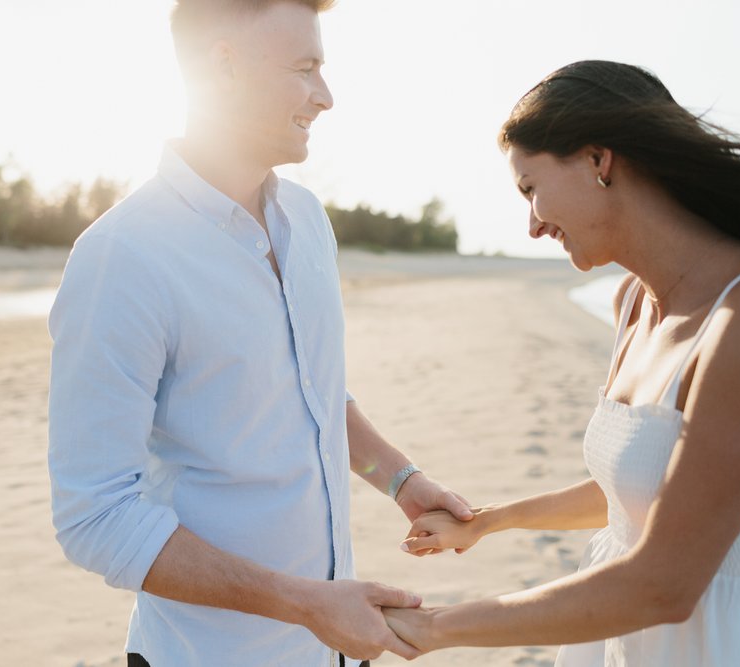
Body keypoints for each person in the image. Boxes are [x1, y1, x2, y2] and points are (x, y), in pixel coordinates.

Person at [47, 2, 473, 665]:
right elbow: (94, 516)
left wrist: (400, 480)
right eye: (305, 69)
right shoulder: (123, 255)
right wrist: (305, 602)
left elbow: (312, 391)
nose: (325, 97)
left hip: (334, 648)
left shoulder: (307, 220)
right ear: (222, 65)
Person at [383, 60, 740, 665]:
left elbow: (664, 586)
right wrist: (488, 522)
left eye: (530, 188)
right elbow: (648, 490)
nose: (532, 224)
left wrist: (431, 628)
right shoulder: (632, 303)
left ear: (599, 161)